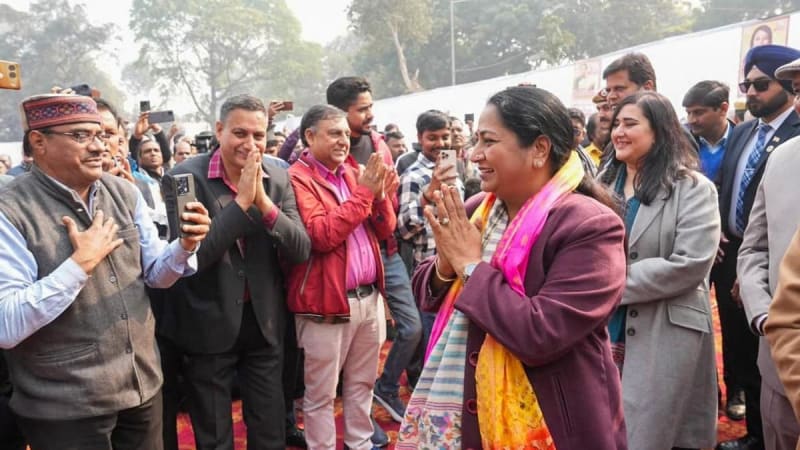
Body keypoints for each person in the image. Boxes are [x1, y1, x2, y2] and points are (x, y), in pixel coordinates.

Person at [399, 86, 628, 449]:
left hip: (550, 418)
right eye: (475, 141)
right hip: (469, 405)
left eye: (488, 142)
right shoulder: (479, 208)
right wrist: (446, 262)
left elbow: (541, 333)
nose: (474, 155)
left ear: (539, 149)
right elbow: (426, 292)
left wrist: (470, 266)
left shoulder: (589, 225)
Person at [0, 93, 210, 450]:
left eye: (102, 135)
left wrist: (185, 246)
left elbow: (156, 274)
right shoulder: (10, 210)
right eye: (81, 136)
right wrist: (79, 265)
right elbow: (7, 324)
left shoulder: (124, 193)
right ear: (39, 142)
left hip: (140, 387)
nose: (99, 147)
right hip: (64, 408)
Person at [159, 94, 311, 450]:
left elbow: (301, 248)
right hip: (207, 322)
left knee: (270, 428)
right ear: (219, 130)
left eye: (258, 135)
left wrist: (264, 203)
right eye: (239, 133)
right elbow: (192, 258)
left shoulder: (277, 175)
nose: (250, 143)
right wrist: (242, 203)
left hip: (264, 322)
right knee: (213, 434)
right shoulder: (184, 178)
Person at [600, 91, 720, 449]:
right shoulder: (599, 188)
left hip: (665, 331)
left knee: (652, 432)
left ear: (660, 130)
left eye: (630, 123)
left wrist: (604, 285)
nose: (618, 132)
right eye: (616, 123)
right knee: (600, 424)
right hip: (604, 328)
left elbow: (690, 263)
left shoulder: (693, 189)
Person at [287, 104, 398, 450]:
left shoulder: (353, 173)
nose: (343, 141)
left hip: (369, 297)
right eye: (333, 133)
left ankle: (360, 443)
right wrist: (365, 193)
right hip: (326, 303)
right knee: (320, 392)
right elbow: (321, 235)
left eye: (345, 135)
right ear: (310, 136)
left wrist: (380, 199)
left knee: (362, 383)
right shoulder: (296, 178)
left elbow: (386, 231)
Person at [715, 45, 800, 450]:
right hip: (777, 354)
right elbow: (755, 248)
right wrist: (766, 316)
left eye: (760, 84)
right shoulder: (783, 160)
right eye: (799, 89)